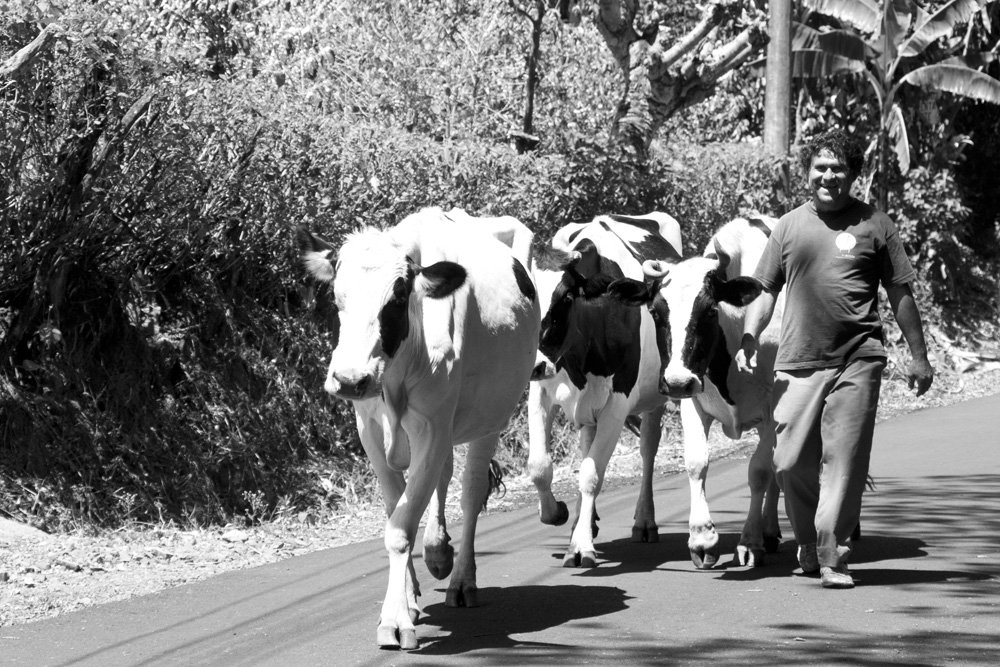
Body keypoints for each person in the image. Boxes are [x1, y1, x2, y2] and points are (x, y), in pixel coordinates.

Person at [736, 129, 934, 589]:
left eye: (838, 168)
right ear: (808, 172)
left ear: (853, 175)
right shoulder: (788, 226)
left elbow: (900, 292)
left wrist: (918, 357)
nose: (828, 176)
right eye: (820, 167)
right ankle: (806, 541)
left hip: (858, 358)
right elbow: (765, 290)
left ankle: (831, 554)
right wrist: (750, 335)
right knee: (788, 462)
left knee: (843, 459)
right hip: (798, 359)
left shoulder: (875, 225)